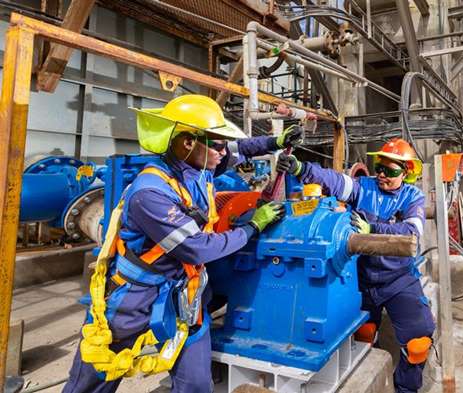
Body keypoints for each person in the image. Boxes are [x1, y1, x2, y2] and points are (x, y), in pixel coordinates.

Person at [63, 95, 303, 393]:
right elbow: (197, 247)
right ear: (188, 142)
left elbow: (240, 149)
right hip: (136, 296)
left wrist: (276, 141)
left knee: (196, 384)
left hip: (187, 293)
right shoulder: (150, 193)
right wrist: (253, 227)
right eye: (217, 144)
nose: (223, 152)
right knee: (97, 373)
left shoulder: (202, 167)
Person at [277, 138, 435, 393]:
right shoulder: (364, 188)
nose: (382, 175)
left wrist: (372, 227)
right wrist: (301, 169)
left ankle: (406, 389)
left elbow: (411, 231)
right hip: (361, 280)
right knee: (361, 335)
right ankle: (372, 374)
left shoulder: (412, 196)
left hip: (398, 279)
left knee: (418, 343)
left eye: (391, 171)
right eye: (379, 167)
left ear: (405, 172)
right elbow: (335, 181)